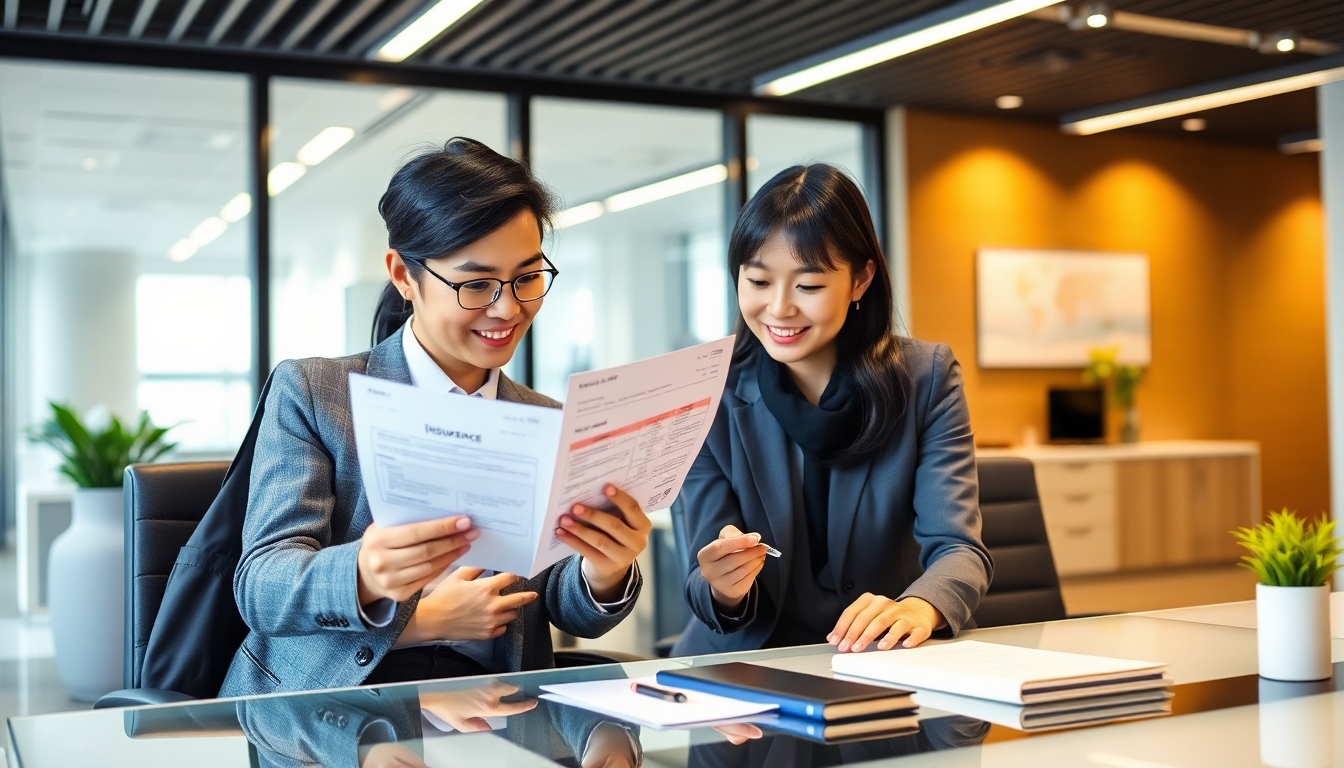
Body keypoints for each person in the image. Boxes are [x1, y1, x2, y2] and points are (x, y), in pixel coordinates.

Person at [219, 138, 650, 697]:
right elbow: (262, 586)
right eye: (475, 284)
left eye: (527, 277)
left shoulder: (546, 419)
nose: (508, 308)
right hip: (333, 707)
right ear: (403, 275)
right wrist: (368, 578)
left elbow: (569, 610)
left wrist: (604, 569)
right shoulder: (316, 393)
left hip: (501, 715)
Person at [673, 163, 992, 658]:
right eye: (758, 281)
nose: (779, 308)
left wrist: (919, 607)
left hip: (880, 662)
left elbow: (959, 549)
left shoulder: (925, 378)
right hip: (745, 674)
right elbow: (699, 582)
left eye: (809, 286)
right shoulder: (704, 395)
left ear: (861, 280)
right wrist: (724, 587)